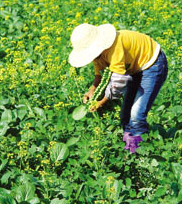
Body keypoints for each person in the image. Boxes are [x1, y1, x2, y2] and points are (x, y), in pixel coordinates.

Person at [69, 23, 168, 153]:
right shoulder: (98, 53)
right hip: (134, 68)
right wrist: (92, 90)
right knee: (125, 114)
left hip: (152, 64)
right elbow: (99, 74)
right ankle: (130, 148)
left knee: (136, 114)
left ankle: (141, 154)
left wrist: (101, 102)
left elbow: (118, 84)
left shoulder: (113, 49)